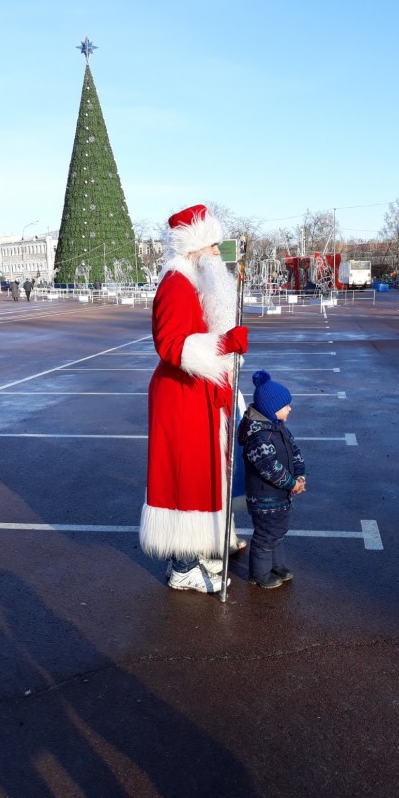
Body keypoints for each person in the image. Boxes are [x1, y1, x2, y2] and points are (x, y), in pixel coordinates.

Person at [139, 204, 249, 594]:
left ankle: (199, 554)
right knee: (185, 479)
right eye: (214, 247)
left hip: (198, 393)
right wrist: (223, 343)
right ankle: (183, 566)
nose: (219, 254)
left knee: (201, 477)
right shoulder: (176, 283)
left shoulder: (194, 281)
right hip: (180, 398)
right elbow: (169, 345)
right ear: (196, 247)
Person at [238, 370, 306, 589]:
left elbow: (294, 451)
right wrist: (291, 483)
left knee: (278, 531)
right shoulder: (259, 437)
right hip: (265, 498)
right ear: (272, 409)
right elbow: (270, 468)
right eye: (286, 406)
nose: (290, 409)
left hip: (280, 495)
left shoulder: (279, 429)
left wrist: (299, 475)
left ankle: (276, 565)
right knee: (266, 535)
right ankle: (259, 573)